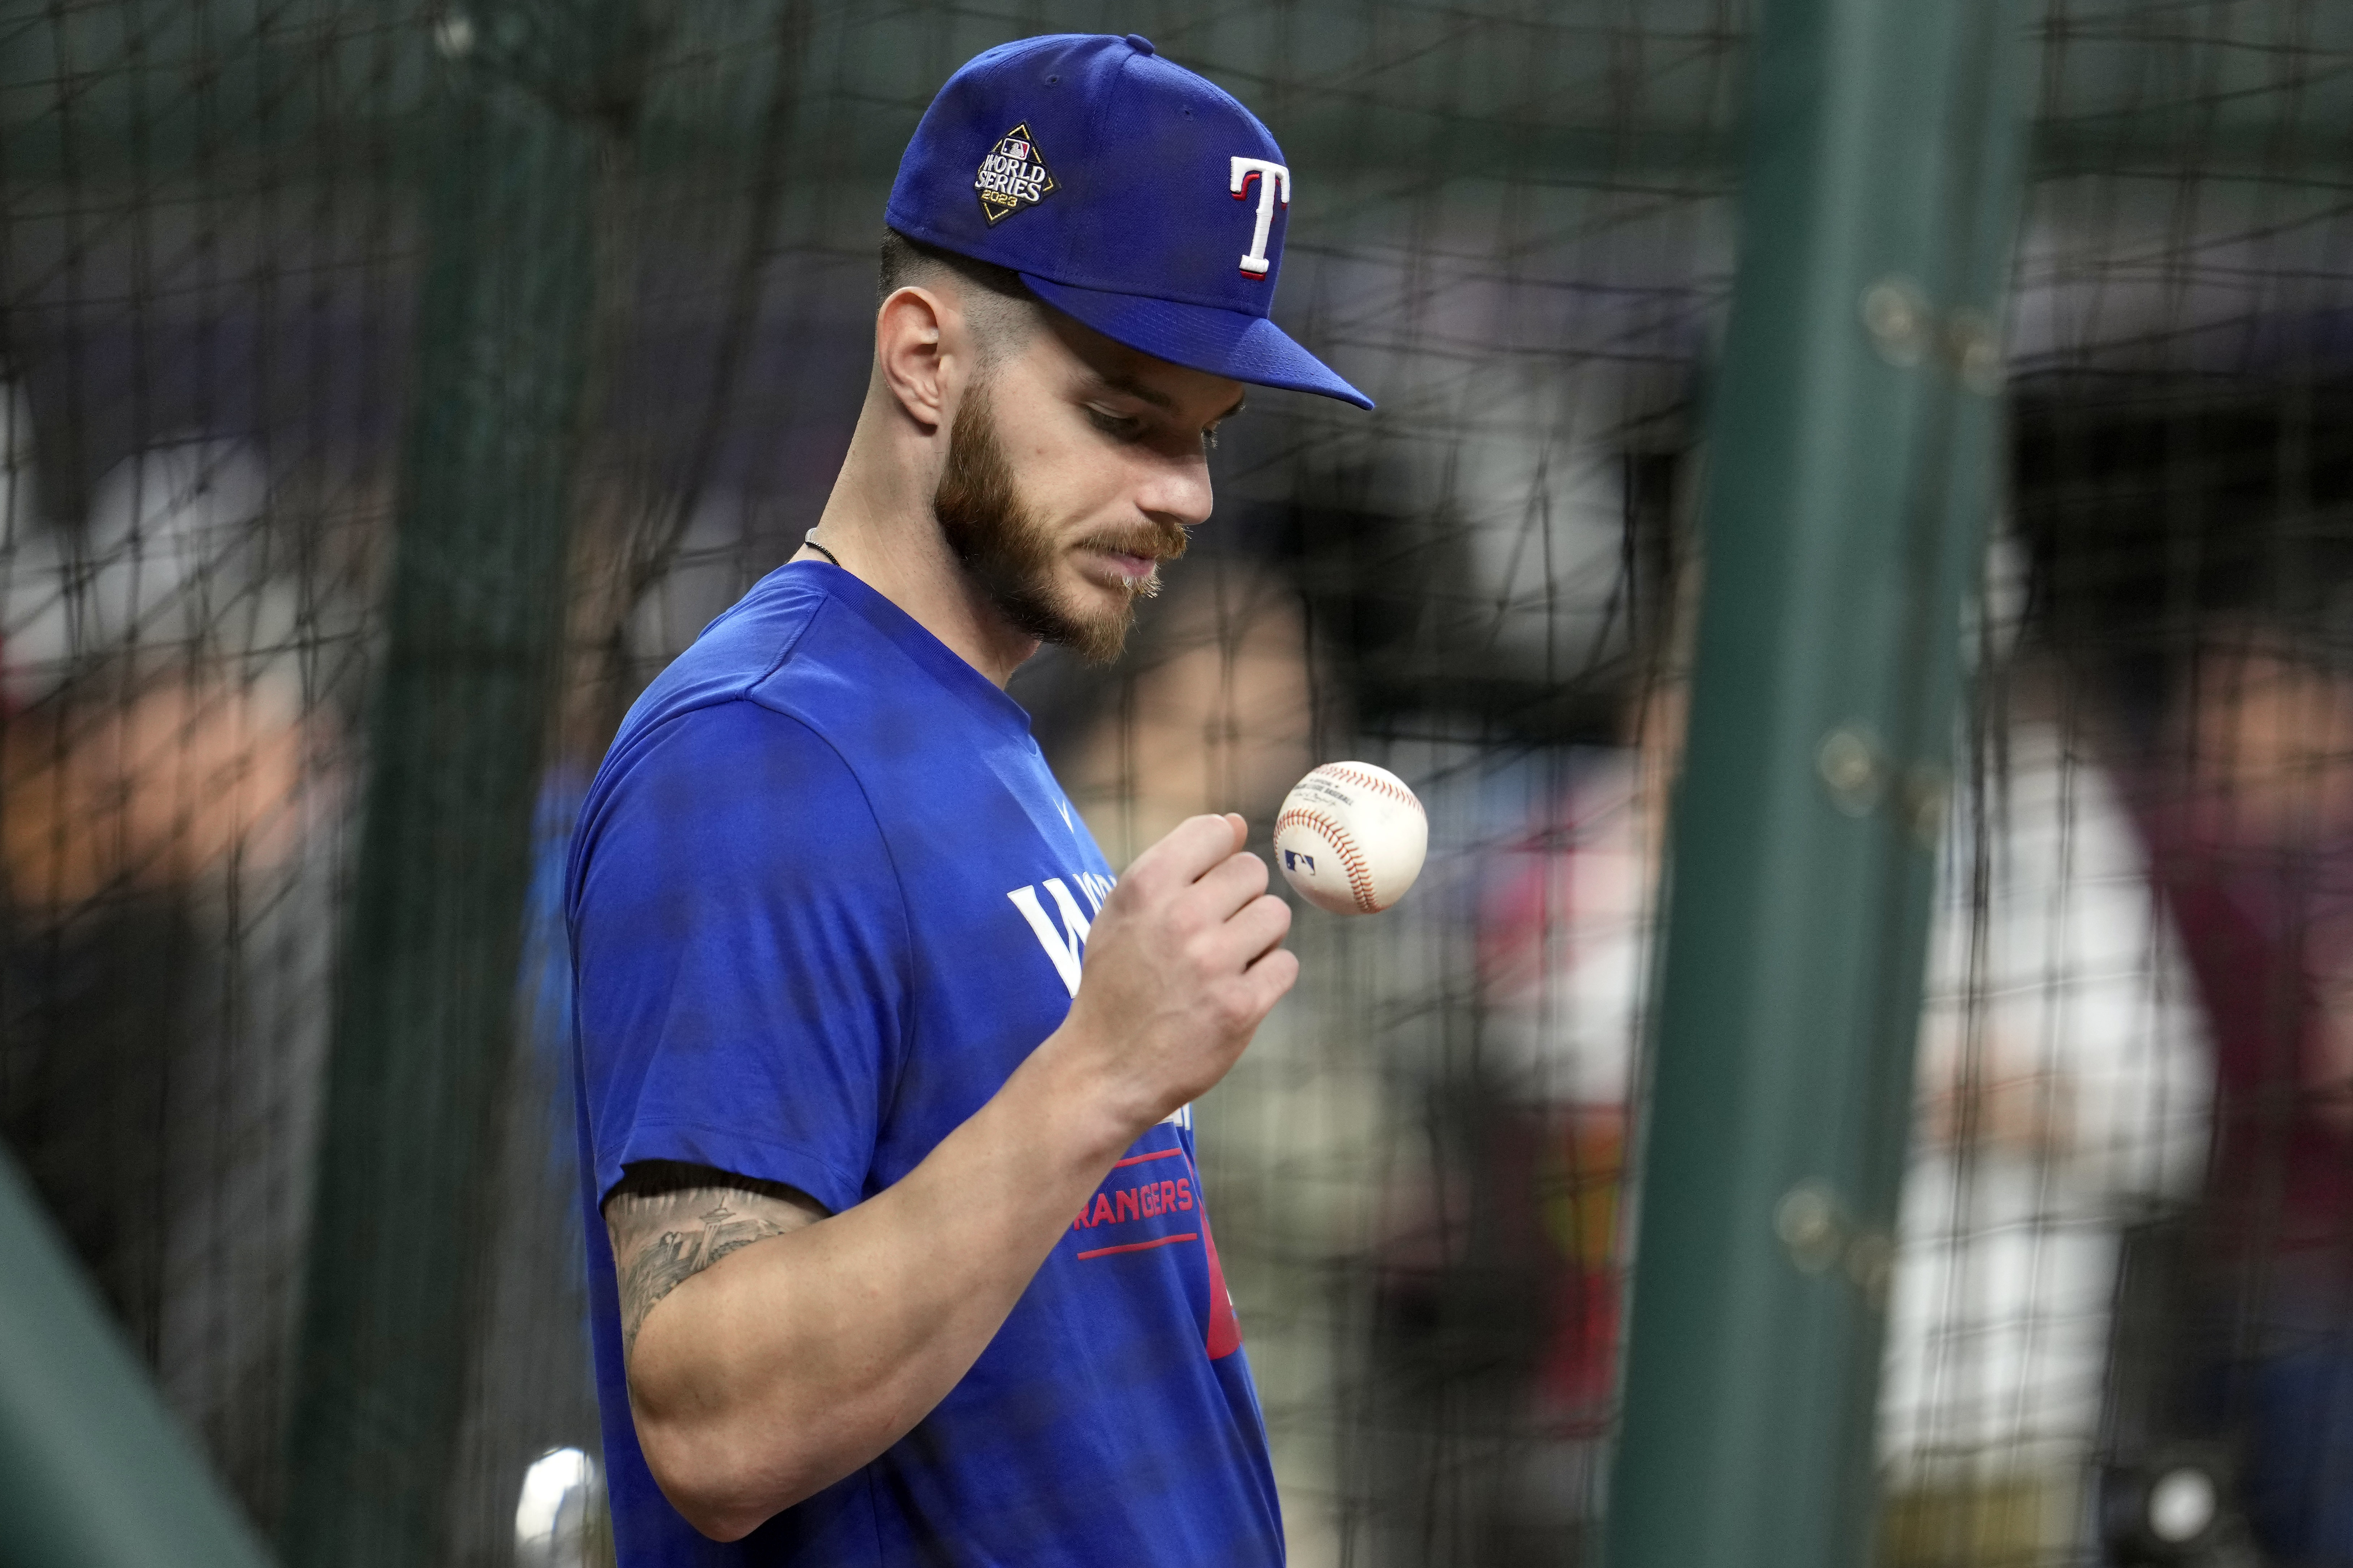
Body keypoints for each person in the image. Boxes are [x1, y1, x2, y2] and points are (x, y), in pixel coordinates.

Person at [567, 33, 1371, 1562]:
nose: (1188, 494)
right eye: (1128, 416)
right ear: (924, 357)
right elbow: (712, 1419)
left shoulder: (977, 737)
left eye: (1206, 437)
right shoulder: (754, 753)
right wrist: (1096, 1076)